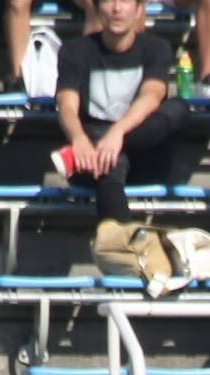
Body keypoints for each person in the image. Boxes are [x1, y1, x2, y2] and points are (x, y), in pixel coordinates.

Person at [53, 0, 190, 245]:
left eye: (125, 1)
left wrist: (118, 134)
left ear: (139, 10)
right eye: (108, 1)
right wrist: (78, 138)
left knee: (177, 108)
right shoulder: (74, 51)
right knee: (110, 163)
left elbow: (153, 95)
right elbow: (67, 105)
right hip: (94, 158)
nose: (117, 8)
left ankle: (106, 149)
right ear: (96, 8)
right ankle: (129, 250)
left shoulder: (156, 48)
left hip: (143, 153)